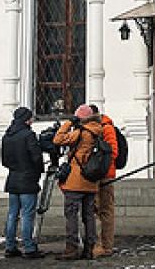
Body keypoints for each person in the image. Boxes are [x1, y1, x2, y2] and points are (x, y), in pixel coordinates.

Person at [52, 103, 105, 260]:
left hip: (75, 180)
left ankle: (72, 248)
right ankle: (90, 248)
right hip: (91, 180)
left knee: (71, 214)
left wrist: (68, 123)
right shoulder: (98, 131)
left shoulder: (80, 132)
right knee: (89, 216)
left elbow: (58, 139)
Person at [0, 105, 45, 259]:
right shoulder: (28, 135)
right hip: (27, 179)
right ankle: (29, 246)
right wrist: (38, 171)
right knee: (27, 214)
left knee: (12, 214)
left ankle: (10, 245)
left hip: (13, 178)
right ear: (26, 119)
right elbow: (36, 157)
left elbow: (4, 160)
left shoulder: (7, 135)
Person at [89, 104, 119, 258]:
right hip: (94, 175)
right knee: (95, 210)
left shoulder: (107, 128)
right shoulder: (95, 128)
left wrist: (98, 166)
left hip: (105, 175)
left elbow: (113, 151)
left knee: (105, 210)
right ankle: (96, 244)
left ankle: (106, 246)